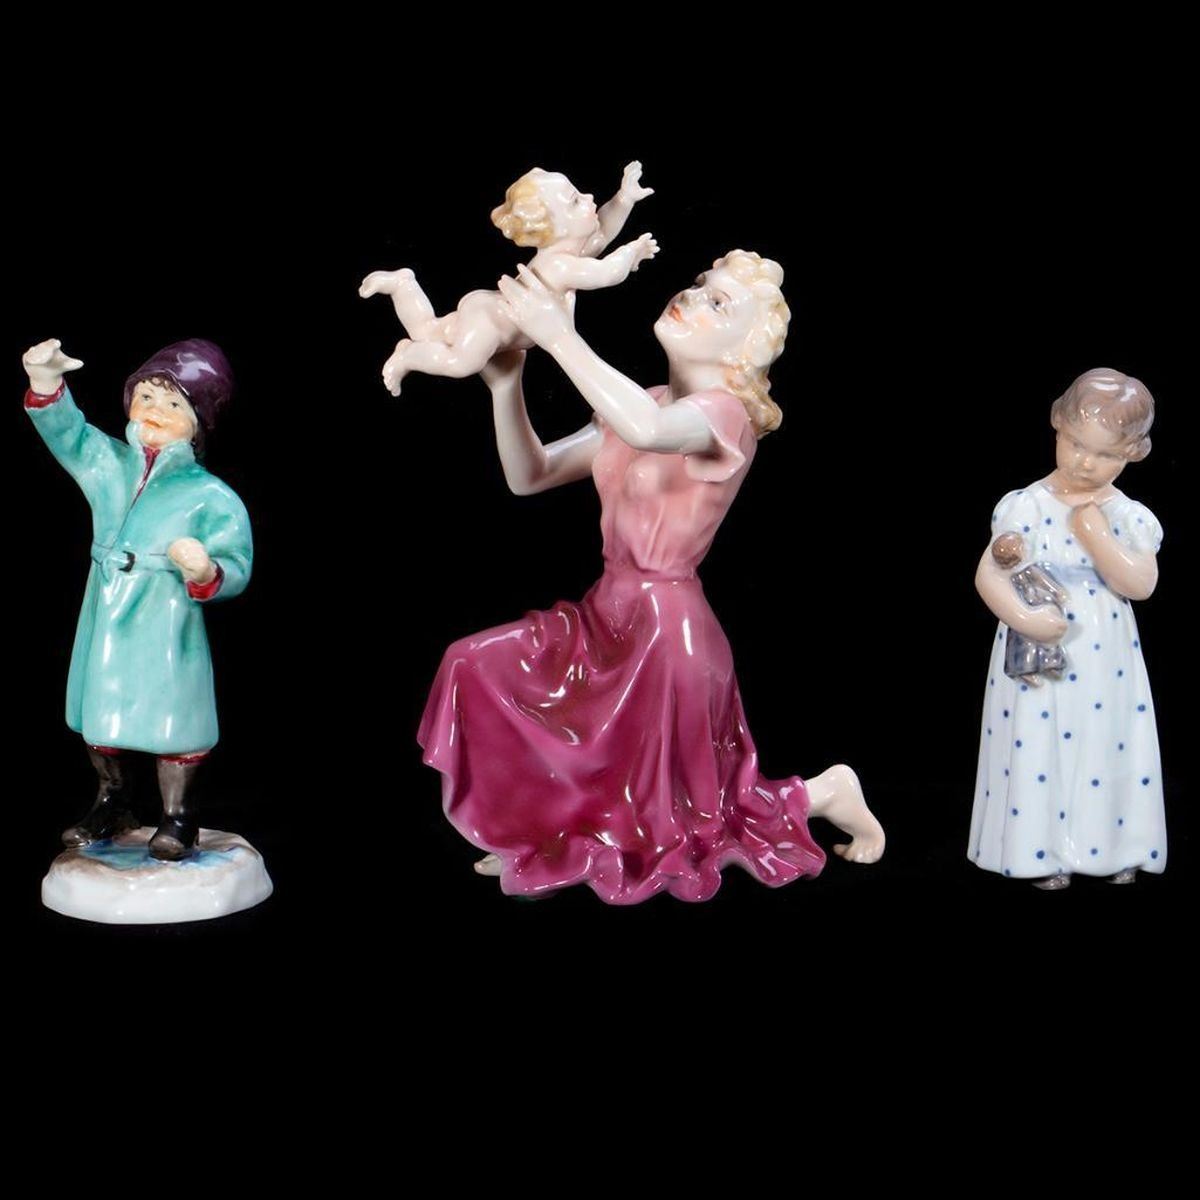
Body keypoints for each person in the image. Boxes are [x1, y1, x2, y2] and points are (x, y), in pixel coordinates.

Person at [417, 251, 885, 903]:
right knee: (473, 665)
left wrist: (558, 334)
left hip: (667, 630)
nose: (692, 296)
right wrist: (507, 385)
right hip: (606, 612)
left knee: (683, 810)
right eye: (699, 284)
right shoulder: (644, 401)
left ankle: (824, 792)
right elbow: (530, 476)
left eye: (718, 302)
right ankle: (545, 838)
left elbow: (648, 428)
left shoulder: (724, 416)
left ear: (744, 347)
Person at [23, 337, 252, 860]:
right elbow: (71, 436)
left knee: (176, 716)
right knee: (100, 708)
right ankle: (112, 800)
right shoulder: (110, 463)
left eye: (173, 404)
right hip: (107, 608)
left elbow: (237, 562)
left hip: (166, 616)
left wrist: (206, 569)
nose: (155, 411)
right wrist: (46, 381)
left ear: (198, 423)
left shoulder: (210, 495)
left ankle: (179, 816)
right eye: (146, 397)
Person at [970, 369, 1165, 889]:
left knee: (1108, 741)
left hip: (1104, 653)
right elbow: (989, 574)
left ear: (1132, 454)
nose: (1084, 462)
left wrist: (1096, 535)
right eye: (1076, 444)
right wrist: (1025, 618)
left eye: (1104, 454)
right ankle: (1039, 851)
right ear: (1058, 425)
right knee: (1038, 743)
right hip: (1039, 648)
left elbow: (1141, 583)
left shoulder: (1126, 515)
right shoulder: (1026, 506)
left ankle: (1115, 846)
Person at [360, 162, 657, 395]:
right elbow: (607, 272)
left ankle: (403, 286)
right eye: (575, 201)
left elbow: (602, 231)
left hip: (490, 310)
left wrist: (624, 198)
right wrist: (632, 251)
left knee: (429, 330)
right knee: (460, 363)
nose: (589, 197)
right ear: (555, 228)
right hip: (492, 324)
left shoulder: (567, 254)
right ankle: (408, 357)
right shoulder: (560, 265)